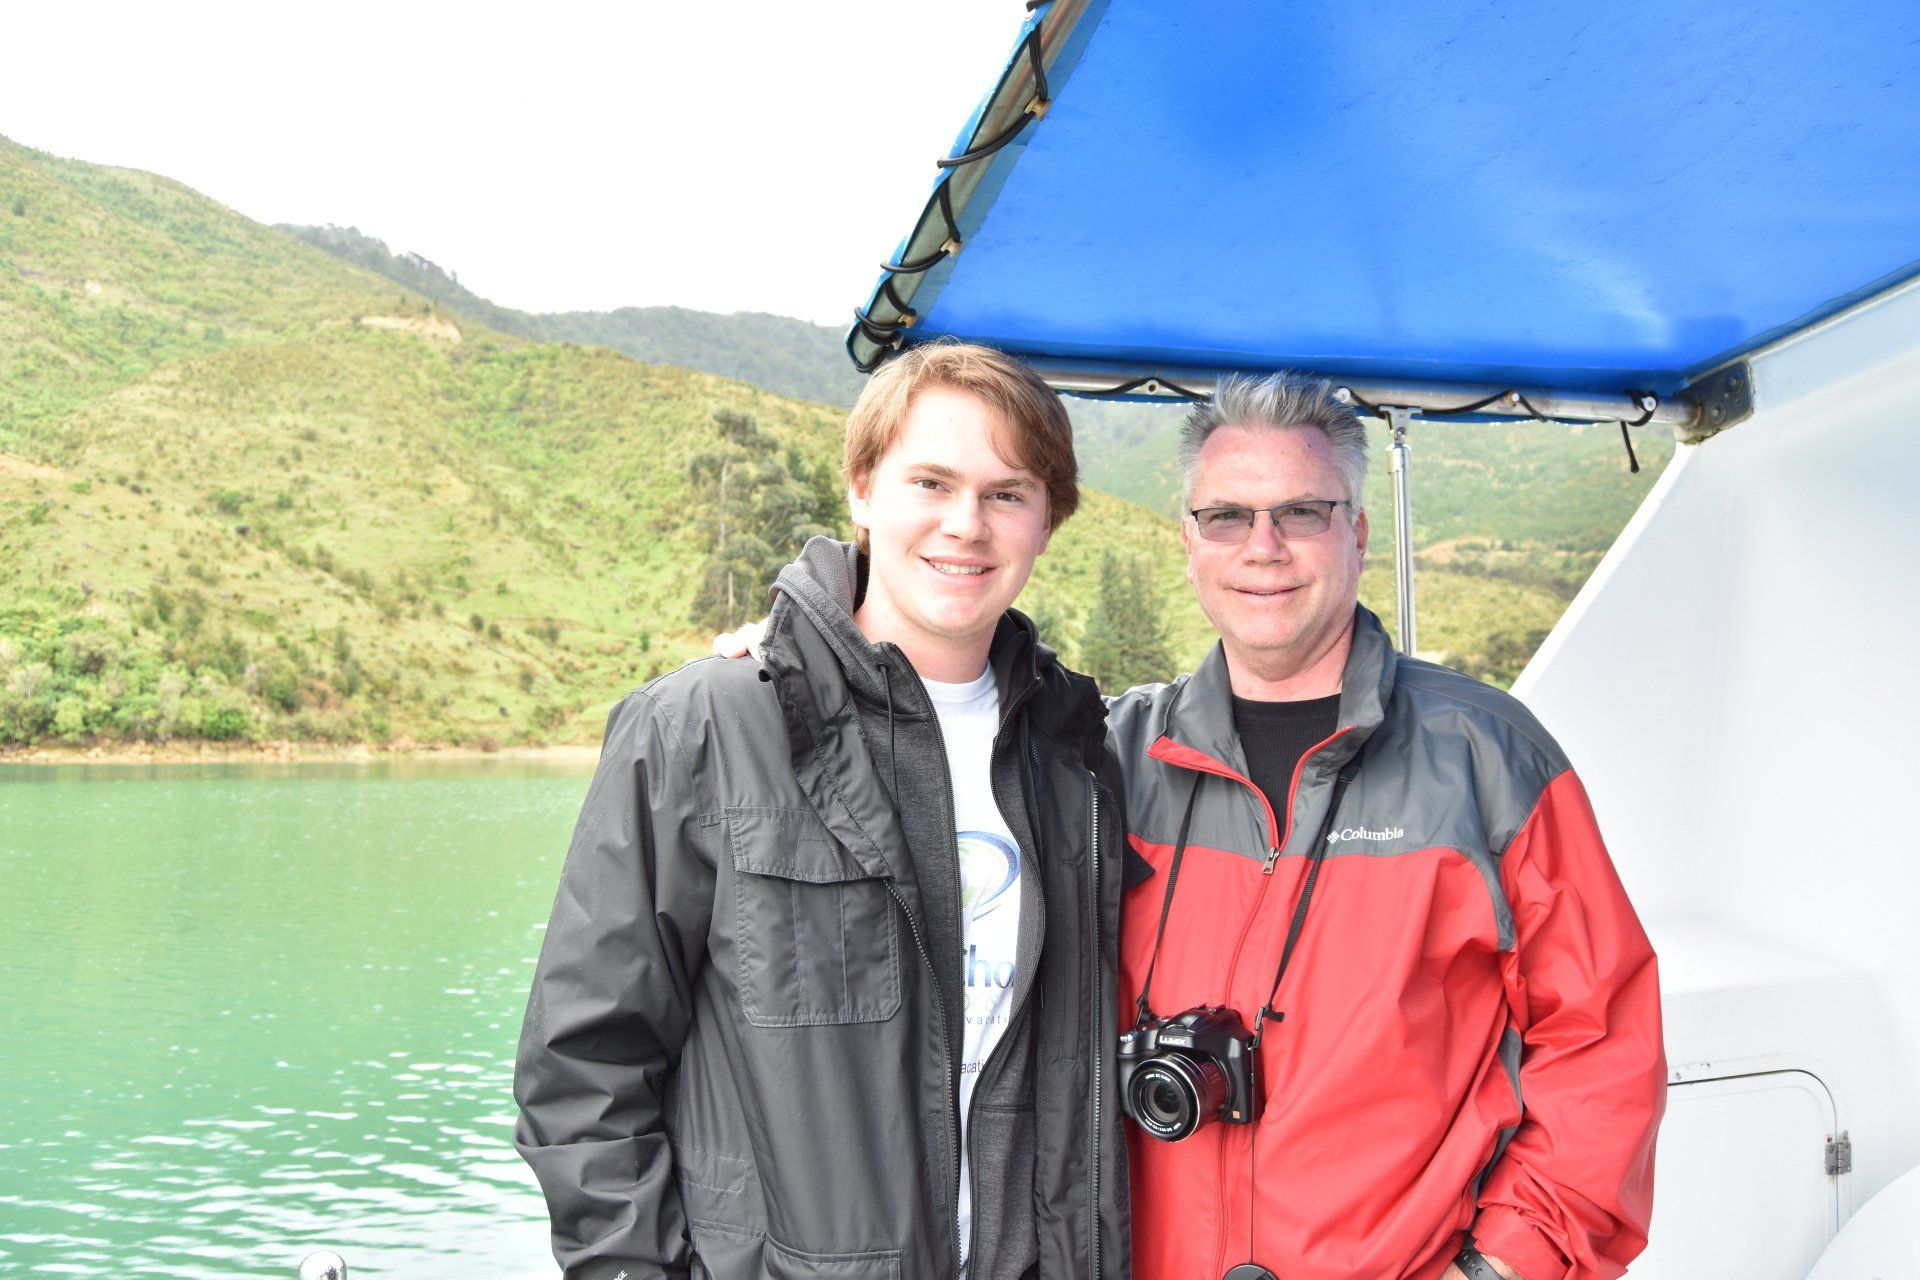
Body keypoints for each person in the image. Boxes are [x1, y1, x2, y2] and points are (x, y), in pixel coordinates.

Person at [513, 341, 1131, 1280]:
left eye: (1007, 493)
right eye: (931, 480)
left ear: (1048, 522)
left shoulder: (1078, 756)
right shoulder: (705, 725)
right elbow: (583, 1069)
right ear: (861, 489)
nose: (965, 524)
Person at [1110, 373, 1664, 1280]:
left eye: (1301, 512)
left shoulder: (1489, 757)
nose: (1264, 548)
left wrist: (1500, 1270)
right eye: (1227, 517)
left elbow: (1603, 1047)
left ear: (1357, 532)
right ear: (1188, 540)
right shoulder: (1115, 759)